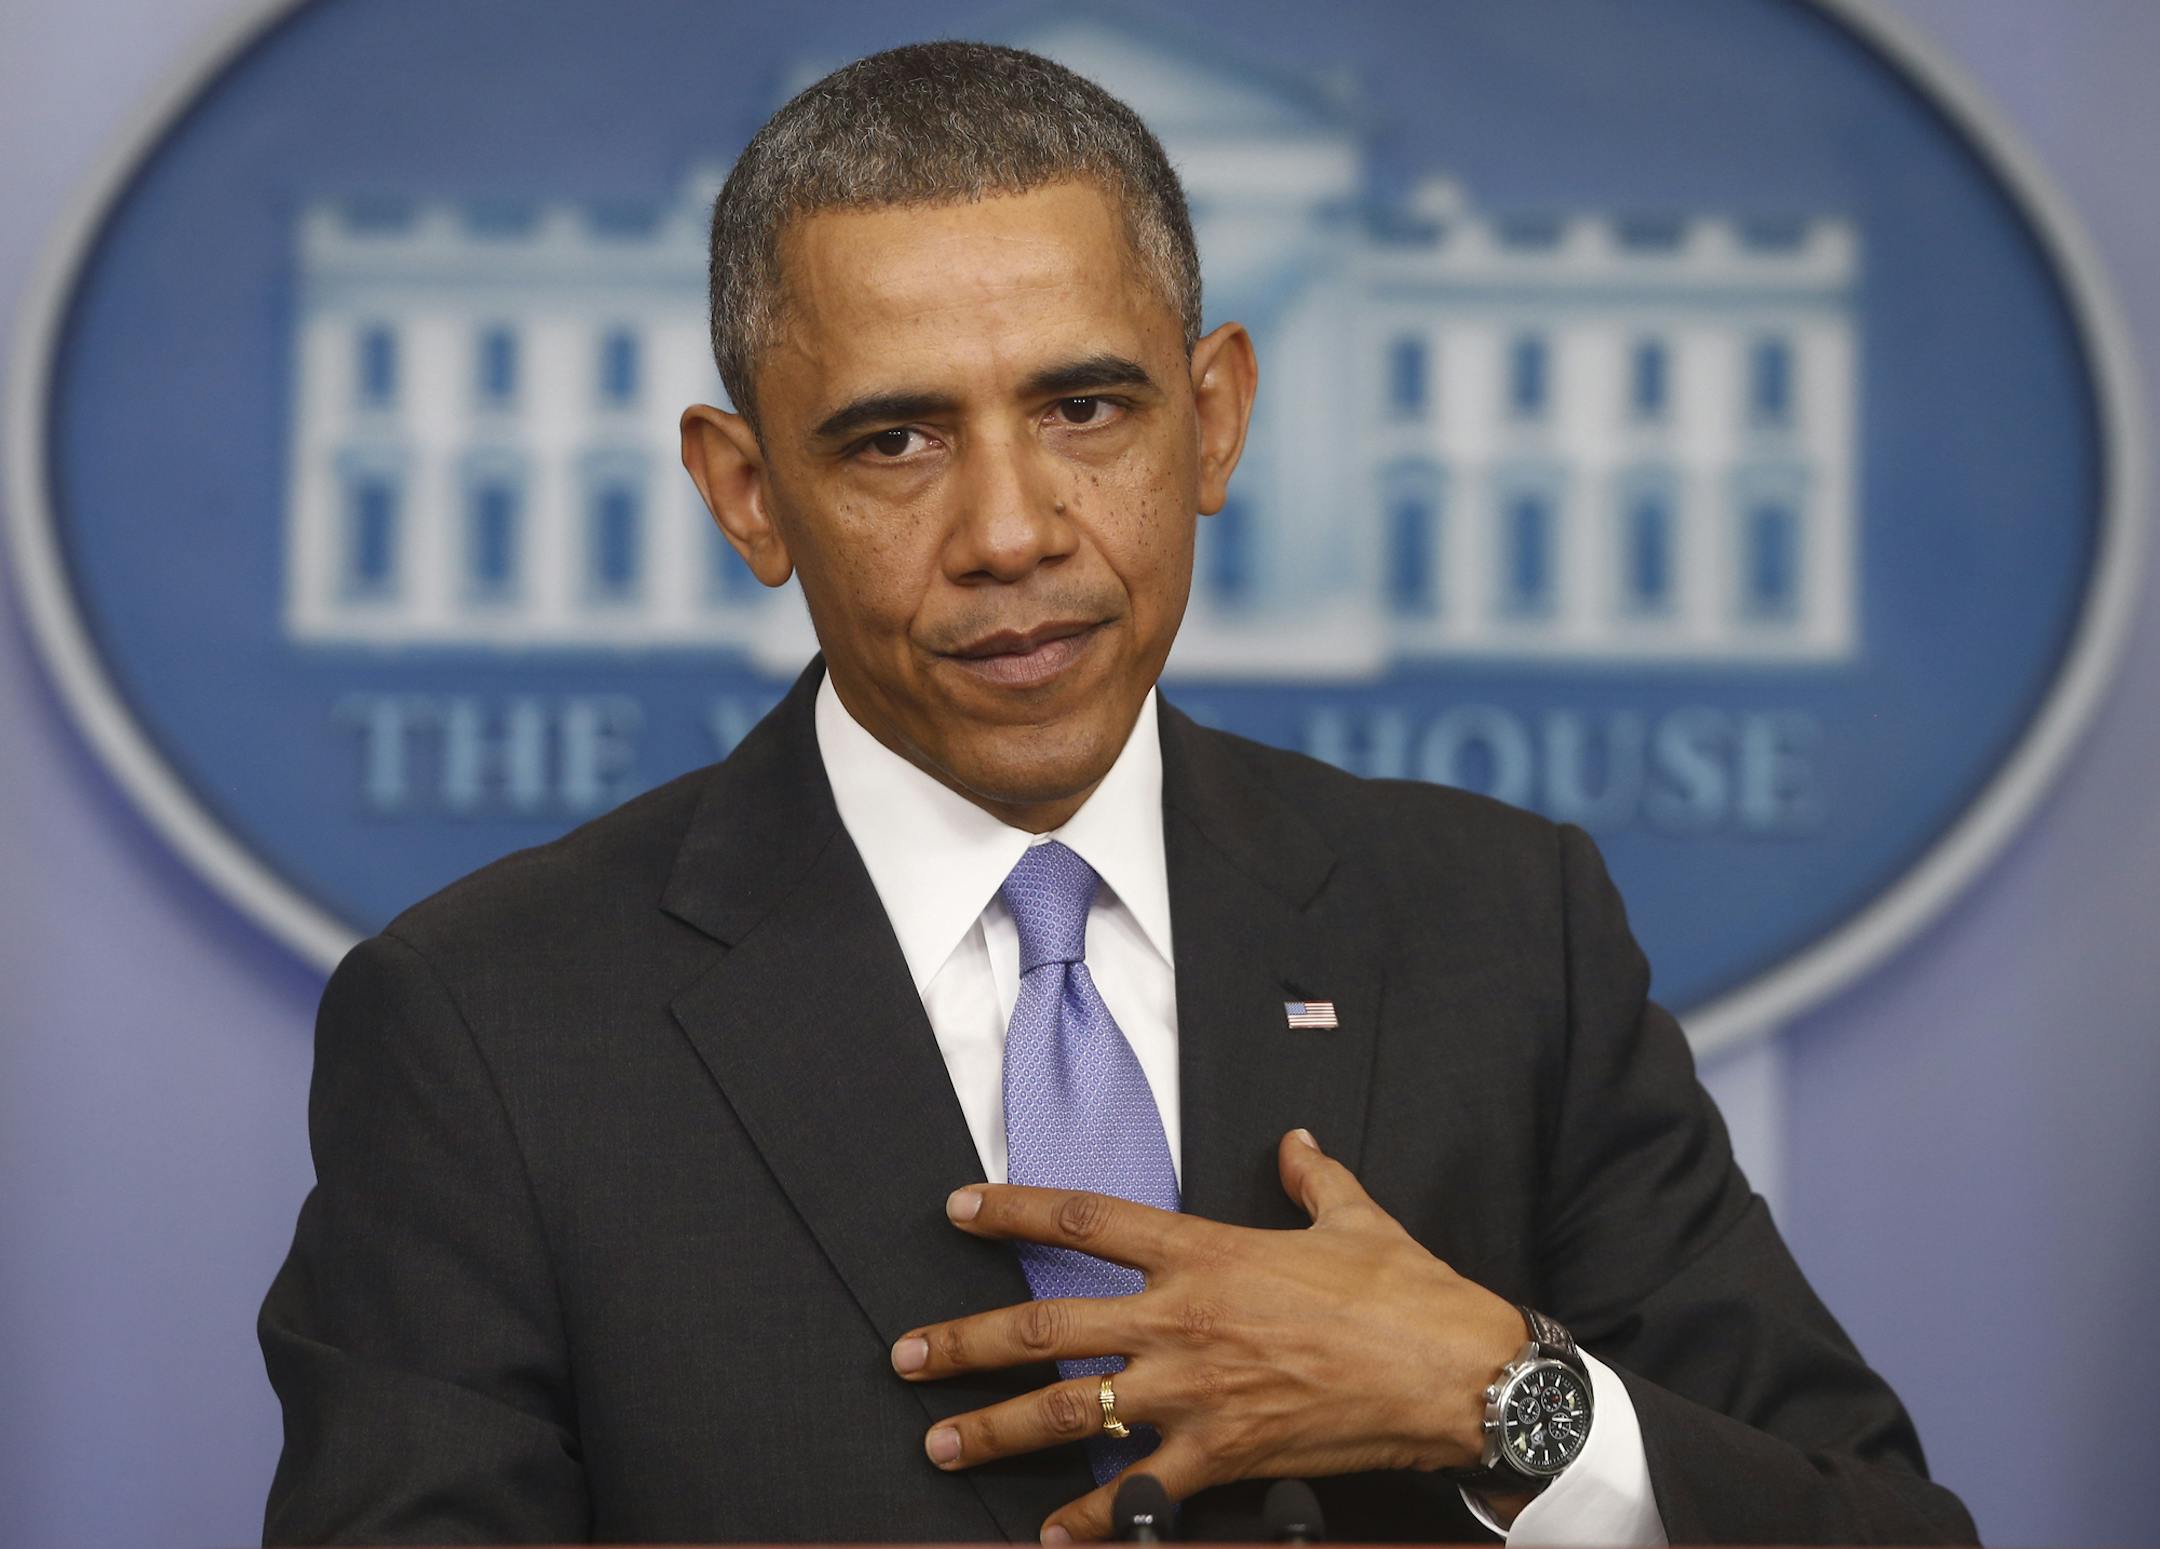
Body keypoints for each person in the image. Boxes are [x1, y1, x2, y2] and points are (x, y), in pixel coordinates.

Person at [259, 41, 1976, 1547]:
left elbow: (1884, 1526)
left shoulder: (1500, 930)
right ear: (745, 489)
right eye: (895, 441)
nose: (1011, 530)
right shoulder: (489, 1019)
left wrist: (1494, 1391)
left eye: (1086, 406)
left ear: (1213, 421)